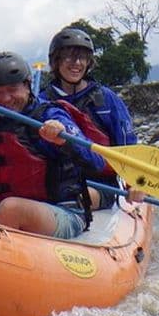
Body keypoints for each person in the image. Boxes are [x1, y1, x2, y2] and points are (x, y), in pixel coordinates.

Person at [0, 51, 144, 240]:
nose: (6, 99)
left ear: (27, 86)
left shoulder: (51, 115)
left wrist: (63, 139)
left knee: (11, 209)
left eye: (12, 90)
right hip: (7, 206)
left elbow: (95, 161)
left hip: (64, 212)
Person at [39, 26, 138, 211]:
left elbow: (128, 144)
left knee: (76, 198)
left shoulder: (106, 99)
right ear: (56, 61)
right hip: (56, 181)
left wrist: (134, 183)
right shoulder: (42, 100)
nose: (77, 63)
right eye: (69, 57)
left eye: (82, 58)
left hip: (99, 183)